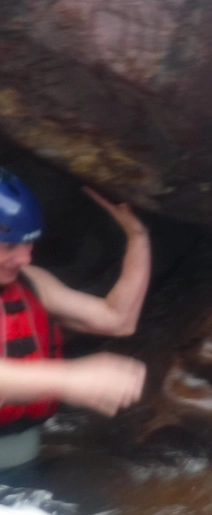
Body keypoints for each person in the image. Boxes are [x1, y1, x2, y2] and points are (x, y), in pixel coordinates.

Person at [0, 169, 150, 470]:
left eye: (29, 244)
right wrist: (70, 378)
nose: (26, 258)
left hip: (21, 471)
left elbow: (118, 319)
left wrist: (138, 236)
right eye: (10, 246)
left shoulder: (31, 283)